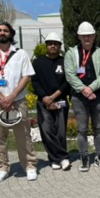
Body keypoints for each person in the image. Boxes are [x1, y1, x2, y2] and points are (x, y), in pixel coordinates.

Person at [0, 22, 38, 183]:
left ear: (11, 34)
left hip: (17, 101)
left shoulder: (21, 54)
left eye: (5, 30)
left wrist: (11, 96)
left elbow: (26, 76)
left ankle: (29, 166)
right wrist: (1, 98)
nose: (2, 33)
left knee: (23, 135)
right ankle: (1, 167)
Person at [64, 21, 100, 172]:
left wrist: (91, 88)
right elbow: (70, 75)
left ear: (94, 36)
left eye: (89, 35)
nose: (86, 38)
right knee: (82, 129)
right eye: (83, 36)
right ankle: (84, 156)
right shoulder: (71, 53)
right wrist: (84, 90)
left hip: (98, 95)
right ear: (79, 36)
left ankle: (99, 156)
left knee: (98, 128)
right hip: (79, 96)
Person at [31, 32, 71, 171]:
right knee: (47, 130)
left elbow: (67, 83)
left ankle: (59, 158)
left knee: (60, 130)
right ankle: (58, 158)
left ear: (60, 46)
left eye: (55, 43)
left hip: (60, 100)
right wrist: (45, 98)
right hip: (43, 102)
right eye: (50, 44)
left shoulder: (65, 61)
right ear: (46, 46)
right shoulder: (38, 62)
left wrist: (53, 97)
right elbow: (35, 82)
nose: (52, 46)